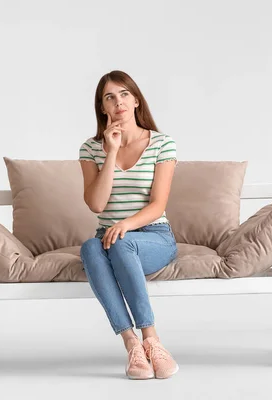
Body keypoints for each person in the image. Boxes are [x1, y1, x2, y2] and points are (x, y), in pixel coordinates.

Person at [78, 70, 179, 379]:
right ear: (103, 108)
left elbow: (158, 205)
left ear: (136, 100)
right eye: (110, 97)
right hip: (108, 238)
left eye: (123, 94)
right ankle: (132, 343)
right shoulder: (90, 149)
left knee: (120, 242)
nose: (118, 101)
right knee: (90, 248)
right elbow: (96, 204)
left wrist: (125, 225)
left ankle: (152, 339)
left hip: (154, 236)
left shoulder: (163, 144)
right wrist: (110, 152)